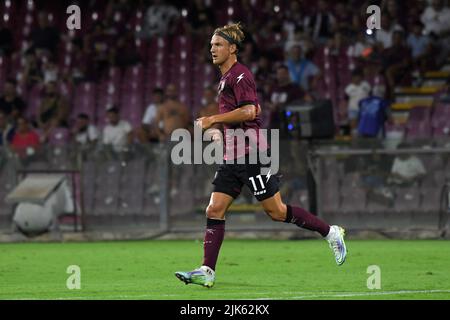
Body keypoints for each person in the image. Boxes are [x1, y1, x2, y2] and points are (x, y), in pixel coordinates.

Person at [175, 23, 347, 288]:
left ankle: (330, 232)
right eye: (211, 45)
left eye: (218, 45)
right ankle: (207, 270)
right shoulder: (224, 79)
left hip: (253, 153)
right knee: (214, 208)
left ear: (233, 48)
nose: (213, 49)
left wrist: (212, 119)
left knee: (276, 212)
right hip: (233, 156)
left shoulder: (240, 75)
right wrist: (218, 133)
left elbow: (249, 112)